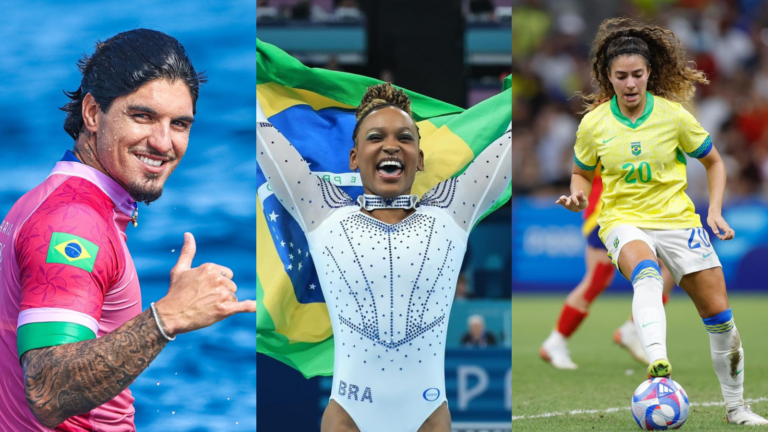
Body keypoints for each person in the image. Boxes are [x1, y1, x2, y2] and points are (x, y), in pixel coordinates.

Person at [0, 29, 256, 430]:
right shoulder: (74, 221)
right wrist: (167, 317)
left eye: (180, 124)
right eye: (143, 116)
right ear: (91, 113)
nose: (162, 142)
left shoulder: (52, 202)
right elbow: (47, 389)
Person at [257, 83, 510, 432]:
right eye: (375, 137)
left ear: (419, 159)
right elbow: (261, 137)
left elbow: (511, 144)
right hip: (348, 418)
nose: (391, 145)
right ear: (354, 158)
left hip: (428, 419)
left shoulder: (453, 210)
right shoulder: (322, 211)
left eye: (405, 138)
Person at [556, 18, 766, 425]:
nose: (630, 83)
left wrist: (715, 210)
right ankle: (659, 366)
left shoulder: (673, 116)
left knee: (721, 320)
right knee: (647, 274)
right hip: (621, 219)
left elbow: (715, 162)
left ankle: (737, 408)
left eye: (637, 74)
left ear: (650, 73)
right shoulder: (594, 124)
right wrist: (579, 192)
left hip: (678, 221)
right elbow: (582, 172)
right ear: (607, 77)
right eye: (621, 76)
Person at [540, 169, 676, 370]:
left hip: (637, 208)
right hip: (605, 209)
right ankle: (555, 342)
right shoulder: (602, 138)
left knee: (670, 267)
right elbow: (586, 169)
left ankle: (631, 330)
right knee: (597, 279)